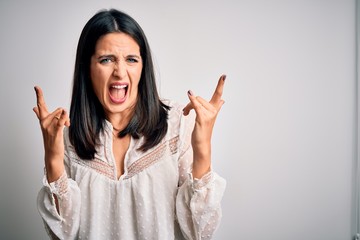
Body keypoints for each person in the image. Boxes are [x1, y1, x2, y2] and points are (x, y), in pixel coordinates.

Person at [34, 8, 226, 240]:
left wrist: (203, 148)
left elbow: (199, 232)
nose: (120, 72)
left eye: (131, 60)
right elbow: (62, 234)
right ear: (87, 67)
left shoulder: (176, 124)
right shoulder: (68, 138)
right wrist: (53, 157)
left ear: (143, 67)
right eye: (106, 60)